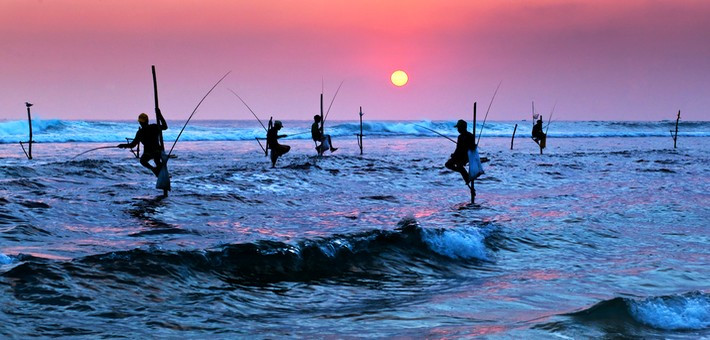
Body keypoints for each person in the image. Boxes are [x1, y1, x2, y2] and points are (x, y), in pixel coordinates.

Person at [117, 112, 168, 177]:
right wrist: (159, 115)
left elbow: (132, 145)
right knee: (157, 160)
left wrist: (123, 145)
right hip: (157, 151)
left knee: (143, 161)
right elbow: (165, 126)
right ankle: (159, 170)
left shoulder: (140, 132)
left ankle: (154, 170)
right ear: (147, 121)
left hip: (150, 152)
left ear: (140, 122)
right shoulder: (154, 127)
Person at [445, 119, 475, 184]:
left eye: (458, 127)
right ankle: (462, 172)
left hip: (466, 156)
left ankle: (467, 178)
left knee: (459, 165)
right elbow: (458, 149)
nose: (457, 129)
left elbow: (471, 147)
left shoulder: (470, 136)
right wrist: (454, 155)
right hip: (459, 156)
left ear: (462, 127)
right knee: (448, 164)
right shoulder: (460, 137)